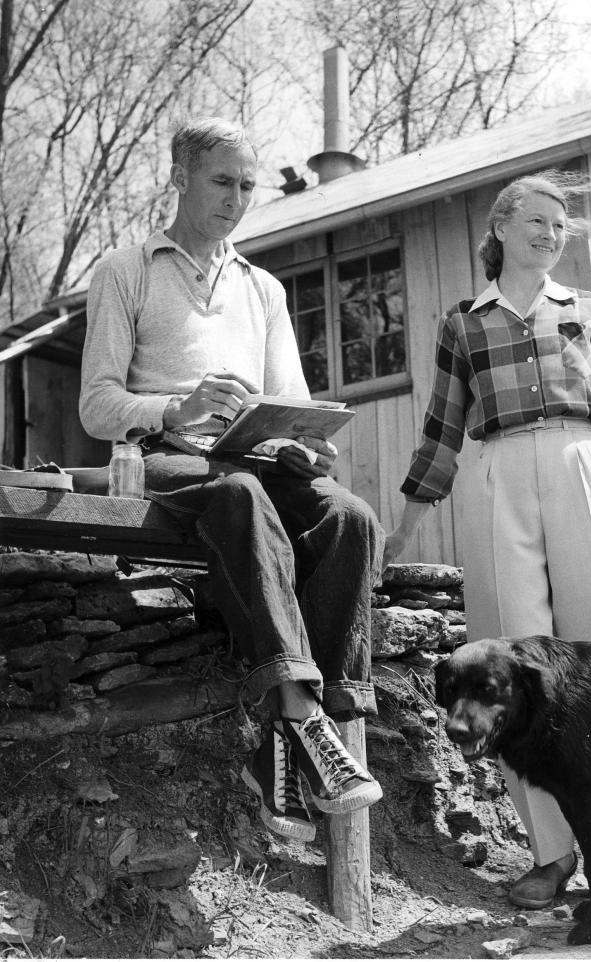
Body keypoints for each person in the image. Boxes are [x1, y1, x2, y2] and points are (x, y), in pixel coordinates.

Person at [79, 117, 383, 845]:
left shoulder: (264, 288)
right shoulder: (125, 269)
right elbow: (96, 404)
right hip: (160, 457)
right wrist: (174, 406)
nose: (239, 197)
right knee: (239, 495)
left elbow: (292, 400)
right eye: (224, 181)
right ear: (180, 178)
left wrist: (301, 442)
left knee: (350, 518)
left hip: (251, 456)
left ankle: (292, 739)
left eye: (248, 184)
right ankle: (304, 725)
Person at [383, 169, 591, 910]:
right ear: (502, 227)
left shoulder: (588, 309)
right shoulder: (463, 323)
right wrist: (398, 534)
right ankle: (550, 856)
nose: (551, 234)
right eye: (538, 221)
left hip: (586, 466)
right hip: (497, 473)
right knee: (509, 669)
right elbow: (442, 433)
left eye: (562, 226)